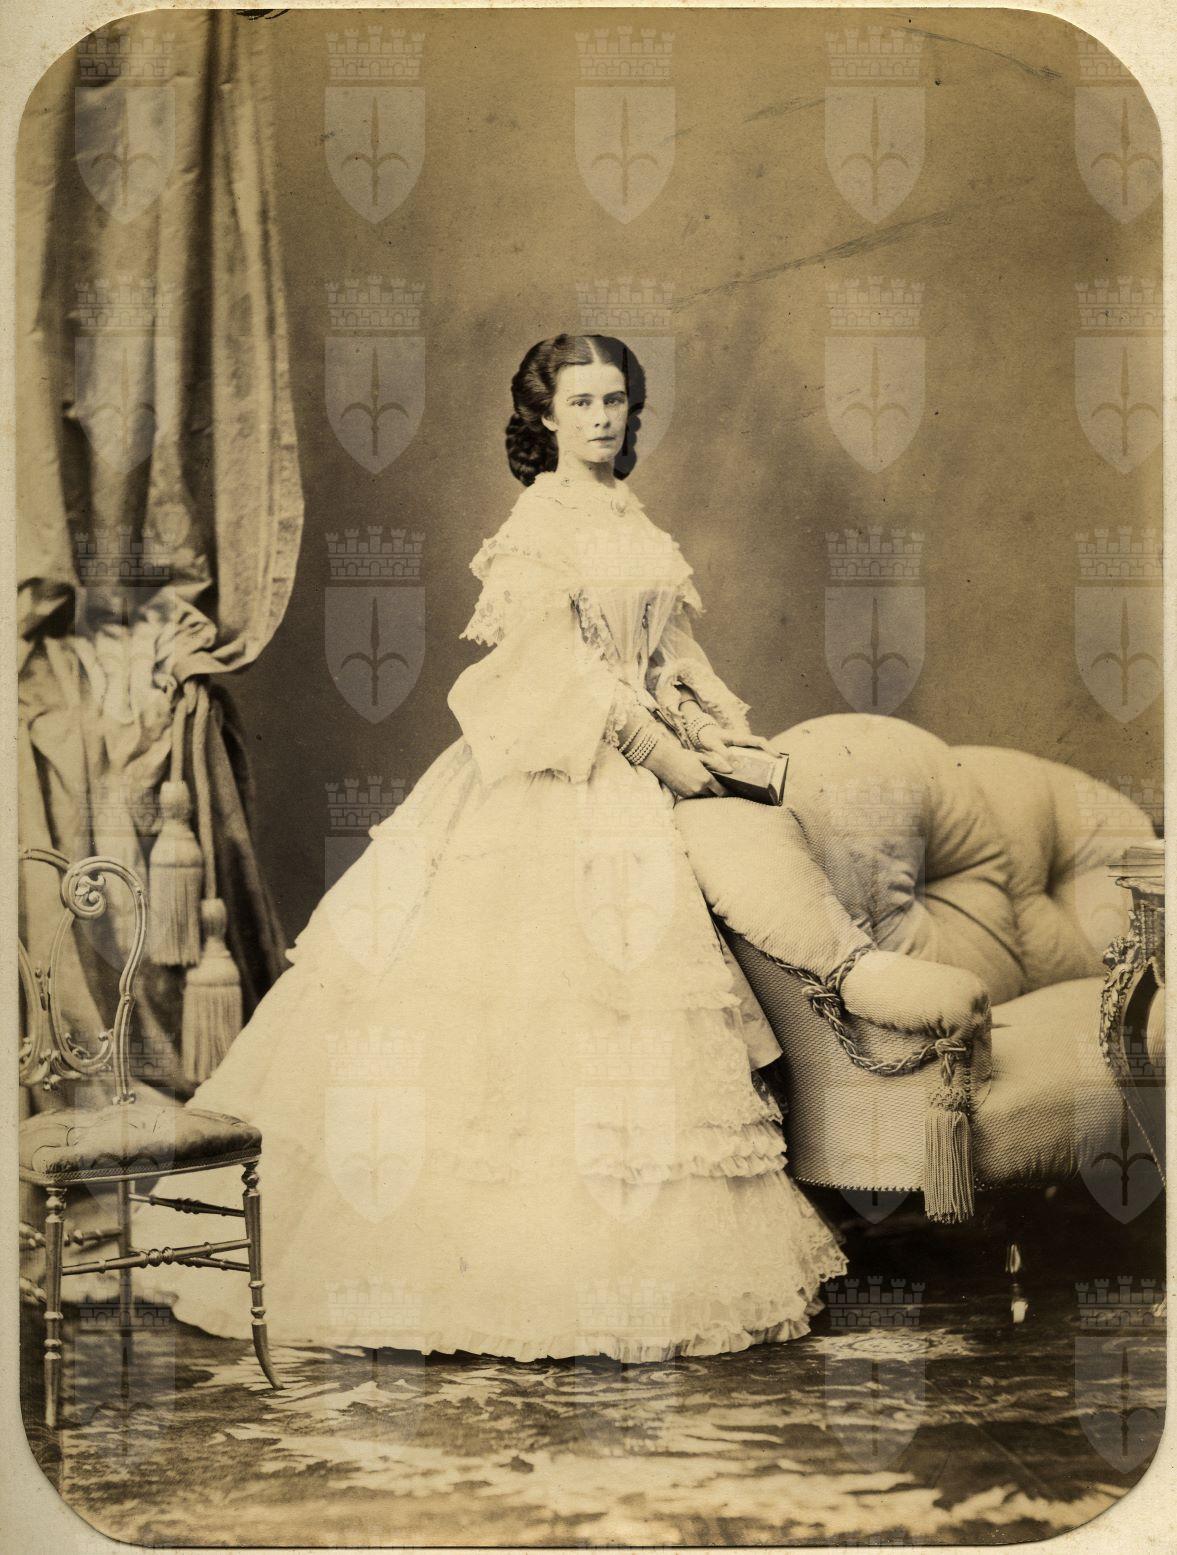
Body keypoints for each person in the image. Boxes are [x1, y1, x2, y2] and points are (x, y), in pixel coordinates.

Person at [132, 333, 846, 1362]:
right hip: (550, 780)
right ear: (544, 417)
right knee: (509, 1007)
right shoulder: (535, 526)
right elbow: (553, 672)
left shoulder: (633, 518)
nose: (601, 418)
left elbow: (667, 654)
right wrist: (659, 751)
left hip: (634, 792)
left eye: (614, 400)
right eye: (581, 402)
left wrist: (714, 734)